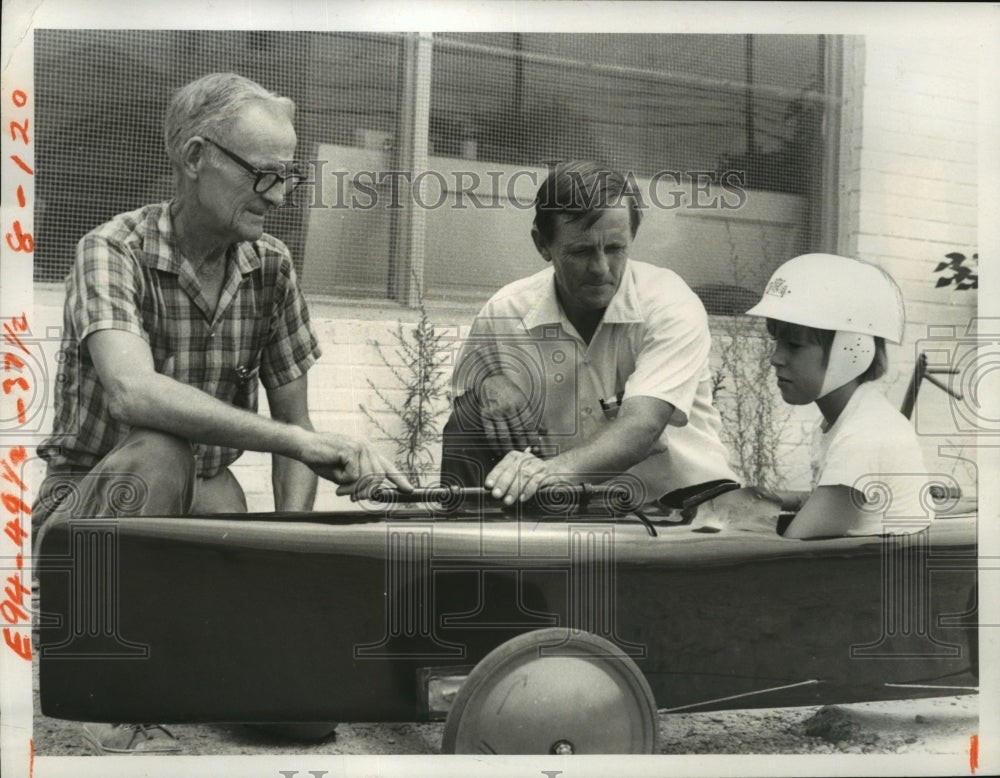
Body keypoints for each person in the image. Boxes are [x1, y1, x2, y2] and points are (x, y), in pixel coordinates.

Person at [33, 72, 412, 752]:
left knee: (302, 717)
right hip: (91, 518)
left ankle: (193, 658)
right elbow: (133, 393)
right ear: (195, 156)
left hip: (202, 506)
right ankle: (104, 669)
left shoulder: (272, 267)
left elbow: (296, 428)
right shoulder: (110, 251)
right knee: (162, 450)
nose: (279, 195)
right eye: (263, 174)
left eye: (288, 176)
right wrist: (300, 443)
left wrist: (287, 556)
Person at [441, 160, 738, 508]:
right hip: (579, 512)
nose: (600, 269)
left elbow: (642, 427)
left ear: (631, 237)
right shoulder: (504, 312)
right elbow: (463, 409)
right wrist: (489, 385)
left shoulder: (669, 303)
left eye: (615, 249)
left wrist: (545, 474)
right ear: (542, 244)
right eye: (581, 251)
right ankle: (463, 551)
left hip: (687, 509)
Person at [745, 253, 930, 538]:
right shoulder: (855, 418)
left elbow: (792, 549)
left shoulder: (865, 435)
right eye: (776, 342)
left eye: (794, 345)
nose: (776, 359)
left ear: (851, 349)